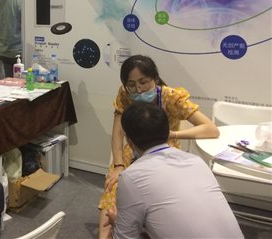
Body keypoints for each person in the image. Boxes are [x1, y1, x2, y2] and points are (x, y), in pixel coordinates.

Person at [98, 54, 219, 238]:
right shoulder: (125, 95)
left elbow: (211, 129)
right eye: (131, 84)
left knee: (158, 191)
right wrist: (119, 165)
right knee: (113, 186)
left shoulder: (172, 97)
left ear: (154, 78)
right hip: (135, 149)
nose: (138, 90)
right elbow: (117, 133)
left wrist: (173, 134)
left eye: (143, 82)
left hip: (165, 149)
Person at [107, 102, 242, 239]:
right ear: (168, 133)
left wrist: (116, 223)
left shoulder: (131, 177)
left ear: (129, 140)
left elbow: (124, 237)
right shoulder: (196, 161)